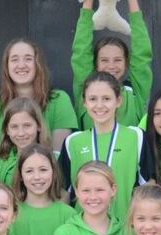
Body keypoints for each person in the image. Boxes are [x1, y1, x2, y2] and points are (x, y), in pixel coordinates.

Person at [59, 72, 144, 222]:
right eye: (93, 99)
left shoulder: (136, 137)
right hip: (84, 232)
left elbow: (148, 187)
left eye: (106, 99)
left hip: (125, 230)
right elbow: (64, 193)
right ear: (84, 103)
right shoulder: (72, 142)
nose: (99, 105)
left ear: (118, 101)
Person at [0, 38, 77, 165]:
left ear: (38, 64)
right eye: (14, 59)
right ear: (6, 66)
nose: (21, 65)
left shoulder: (59, 101)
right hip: (3, 183)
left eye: (28, 59)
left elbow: (59, 160)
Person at [71, 0, 151, 128]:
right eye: (104, 60)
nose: (111, 66)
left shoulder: (135, 92)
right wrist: (88, 2)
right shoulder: (85, 89)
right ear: (95, 64)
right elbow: (81, 50)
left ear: (126, 63)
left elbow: (142, 53)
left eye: (118, 60)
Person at [0, 97, 52, 187]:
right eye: (14, 127)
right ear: (7, 130)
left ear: (39, 126)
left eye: (27, 125)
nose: (21, 133)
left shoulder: (54, 158)